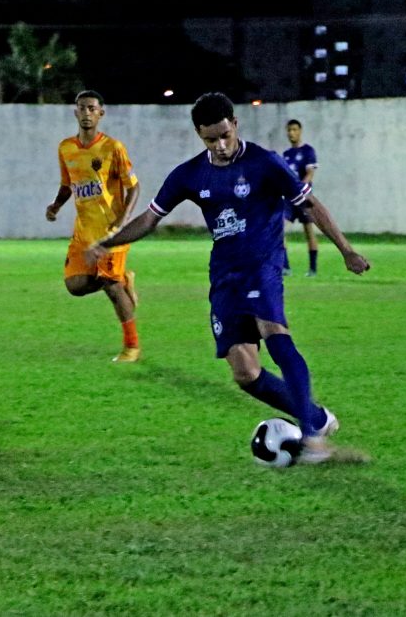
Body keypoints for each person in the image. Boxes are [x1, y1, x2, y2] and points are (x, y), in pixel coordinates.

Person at [84, 92, 370, 463]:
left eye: (225, 135)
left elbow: (310, 205)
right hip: (224, 275)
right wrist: (108, 243)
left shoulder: (265, 163)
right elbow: (151, 217)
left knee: (275, 334)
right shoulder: (189, 174)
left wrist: (346, 250)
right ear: (199, 135)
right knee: (245, 372)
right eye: (210, 139)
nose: (220, 145)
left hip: (263, 265)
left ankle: (313, 440)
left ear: (235, 124)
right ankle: (317, 418)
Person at [45, 90, 142, 363]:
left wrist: (122, 222)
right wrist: (56, 205)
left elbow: (134, 187)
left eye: (92, 108)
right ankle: (124, 279)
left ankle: (131, 347)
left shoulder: (113, 148)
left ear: (101, 113)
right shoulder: (66, 148)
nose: (87, 113)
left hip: (111, 233)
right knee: (75, 285)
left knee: (111, 287)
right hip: (83, 233)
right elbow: (68, 184)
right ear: (75, 112)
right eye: (82, 108)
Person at [282, 119, 320, 276]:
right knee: (279, 229)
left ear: (300, 131)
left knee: (309, 231)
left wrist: (300, 188)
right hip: (289, 199)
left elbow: (310, 173)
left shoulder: (308, 151)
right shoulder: (286, 154)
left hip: (304, 198)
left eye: (294, 129)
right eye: (289, 130)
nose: (291, 133)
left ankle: (312, 269)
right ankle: (285, 267)